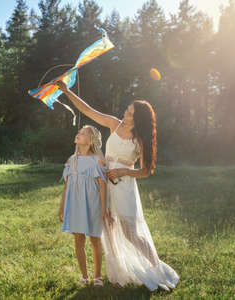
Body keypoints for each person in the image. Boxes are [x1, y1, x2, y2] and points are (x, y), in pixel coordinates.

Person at [57, 81, 179, 291]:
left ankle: (155, 267)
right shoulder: (114, 124)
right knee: (108, 226)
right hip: (104, 183)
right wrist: (67, 91)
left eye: (130, 114)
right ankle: (118, 274)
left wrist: (123, 171)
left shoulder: (140, 139)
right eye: (127, 110)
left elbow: (146, 170)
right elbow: (87, 110)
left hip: (123, 186)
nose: (126, 114)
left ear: (138, 119)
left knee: (130, 232)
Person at [58, 125, 110, 287]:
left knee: (95, 239)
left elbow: (102, 186)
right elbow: (66, 186)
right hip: (74, 205)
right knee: (78, 239)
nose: (78, 134)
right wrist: (61, 207)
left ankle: (97, 276)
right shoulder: (71, 160)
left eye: (82, 133)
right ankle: (84, 276)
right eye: (78, 132)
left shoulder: (97, 161)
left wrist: (103, 208)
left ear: (91, 140)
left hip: (92, 204)